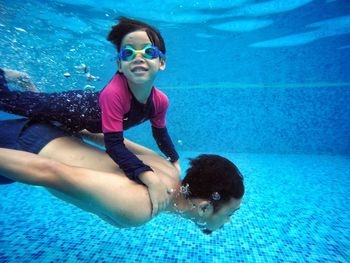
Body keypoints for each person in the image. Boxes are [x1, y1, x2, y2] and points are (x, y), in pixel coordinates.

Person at [0, 17, 179, 215]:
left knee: (37, 109)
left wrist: (175, 160)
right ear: (120, 64)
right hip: (70, 107)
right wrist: (149, 177)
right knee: (7, 100)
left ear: (161, 62)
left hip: (75, 123)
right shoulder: (115, 93)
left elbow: (161, 134)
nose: (139, 57)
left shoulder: (160, 101)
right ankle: (10, 76)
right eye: (128, 53)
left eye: (149, 51)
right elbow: (114, 145)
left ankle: (25, 81)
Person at [0, 117, 244, 234]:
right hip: (22, 150)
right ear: (203, 208)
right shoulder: (140, 207)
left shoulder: (168, 170)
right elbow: (49, 171)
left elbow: (112, 139)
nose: (229, 221)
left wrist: (56, 122)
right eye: (230, 213)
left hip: (44, 135)